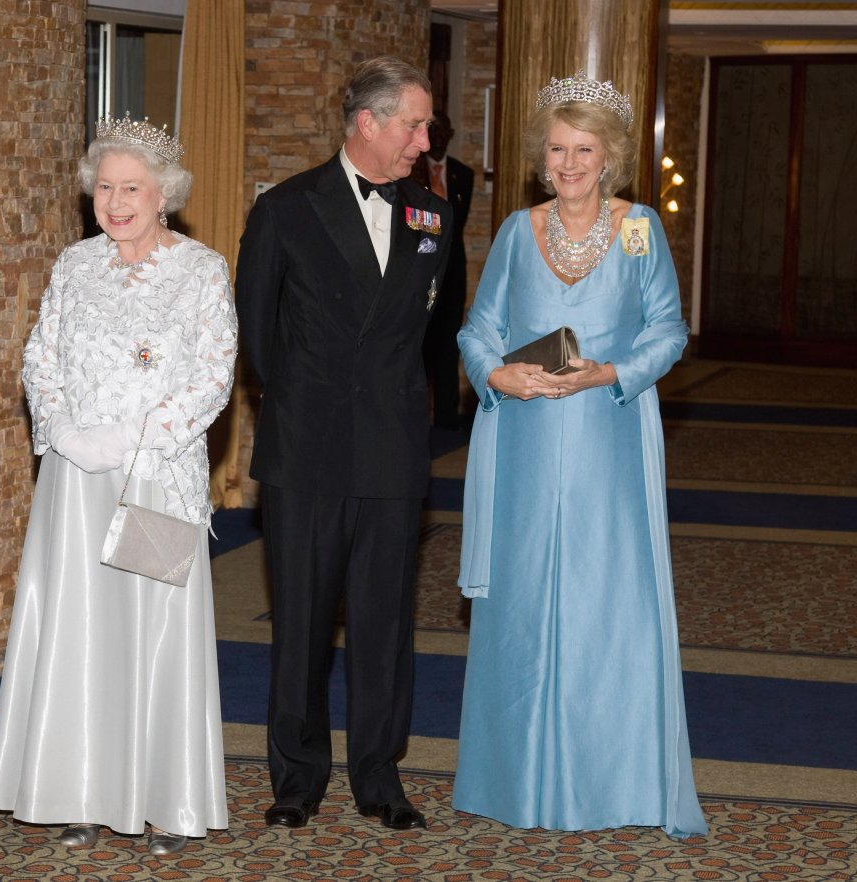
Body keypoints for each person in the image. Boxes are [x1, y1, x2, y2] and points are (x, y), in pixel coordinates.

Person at [451, 70, 708, 838]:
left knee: (607, 605)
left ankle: (611, 781)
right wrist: (498, 374)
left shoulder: (638, 230)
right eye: (557, 149)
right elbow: (475, 331)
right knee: (524, 603)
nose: (568, 164)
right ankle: (516, 780)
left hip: (608, 441)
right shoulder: (515, 232)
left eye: (584, 150)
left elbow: (669, 330)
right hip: (524, 444)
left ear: (610, 156)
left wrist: (612, 373)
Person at [0, 116, 236, 856]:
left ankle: (165, 801)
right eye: (105, 188)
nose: (115, 202)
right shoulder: (76, 264)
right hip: (76, 481)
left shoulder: (202, 270)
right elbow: (39, 358)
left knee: (152, 634)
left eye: (132, 189)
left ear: (165, 196)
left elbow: (213, 377)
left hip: (156, 478)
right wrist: (62, 431)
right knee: (80, 634)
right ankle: (79, 792)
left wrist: (134, 439)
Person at [235, 56, 452, 833]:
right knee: (300, 620)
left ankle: (378, 775)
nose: (426, 140)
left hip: (392, 448)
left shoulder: (433, 215)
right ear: (368, 123)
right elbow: (257, 333)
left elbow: (435, 331)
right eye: (415, 125)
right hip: (308, 447)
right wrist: (312, 399)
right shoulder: (287, 208)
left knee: (384, 622)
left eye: (426, 126)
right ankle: (296, 776)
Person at [415, 111, 475, 428]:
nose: (437, 137)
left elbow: (455, 224)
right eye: (432, 130)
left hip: (452, 271)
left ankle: (448, 422)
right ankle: (417, 415)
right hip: (419, 267)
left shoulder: (463, 175)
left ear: (450, 135)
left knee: (450, 342)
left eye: (442, 131)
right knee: (421, 343)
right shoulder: (411, 173)